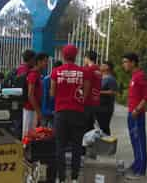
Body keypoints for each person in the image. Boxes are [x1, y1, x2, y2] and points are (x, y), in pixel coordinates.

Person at [51, 45, 90, 183]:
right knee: (77, 146)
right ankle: (74, 177)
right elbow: (85, 95)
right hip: (77, 112)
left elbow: (52, 93)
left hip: (61, 112)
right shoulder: (83, 72)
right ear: (76, 55)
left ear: (63, 55)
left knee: (60, 146)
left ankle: (61, 178)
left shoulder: (56, 72)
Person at [122, 52, 147, 180]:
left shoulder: (140, 76)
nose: (124, 65)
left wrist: (137, 109)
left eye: (125, 61)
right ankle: (136, 164)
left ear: (133, 62)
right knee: (134, 141)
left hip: (137, 114)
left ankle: (141, 170)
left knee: (139, 141)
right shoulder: (134, 76)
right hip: (131, 113)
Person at [23, 53, 49, 136]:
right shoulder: (33, 74)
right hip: (30, 109)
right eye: (45, 61)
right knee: (27, 135)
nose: (47, 63)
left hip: (34, 109)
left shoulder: (38, 74)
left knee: (33, 135)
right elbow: (30, 95)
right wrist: (38, 112)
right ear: (39, 62)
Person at [96, 61, 118, 135]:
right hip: (99, 107)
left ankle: (108, 143)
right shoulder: (102, 77)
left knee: (104, 127)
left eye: (103, 65)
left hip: (106, 108)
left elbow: (114, 92)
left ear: (107, 67)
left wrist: (100, 92)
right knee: (101, 127)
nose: (100, 66)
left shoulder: (111, 79)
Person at [83, 50, 102, 132]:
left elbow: (86, 85)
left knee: (86, 126)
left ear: (87, 58)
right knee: (91, 124)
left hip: (88, 101)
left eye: (84, 58)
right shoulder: (98, 69)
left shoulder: (89, 70)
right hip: (96, 100)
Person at [41, 60, 62, 127]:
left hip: (52, 110)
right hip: (49, 110)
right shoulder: (47, 79)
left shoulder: (46, 79)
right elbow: (45, 96)